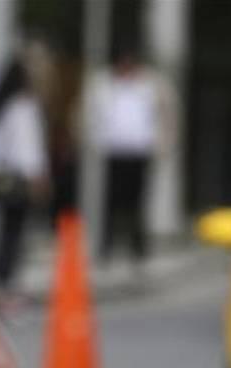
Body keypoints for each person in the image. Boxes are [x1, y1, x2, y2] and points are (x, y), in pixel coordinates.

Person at [91, 45, 162, 268]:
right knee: (111, 202)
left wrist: (158, 143)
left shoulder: (147, 86)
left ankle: (138, 249)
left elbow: (160, 114)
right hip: (115, 150)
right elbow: (95, 115)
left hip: (139, 151)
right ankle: (106, 247)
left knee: (137, 203)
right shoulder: (105, 86)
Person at [0, 57, 48, 300]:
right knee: (14, 232)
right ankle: (7, 284)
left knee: (4, 231)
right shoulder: (23, 107)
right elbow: (26, 148)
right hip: (19, 179)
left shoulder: (1, 107)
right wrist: (37, 177)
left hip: (2, 176)